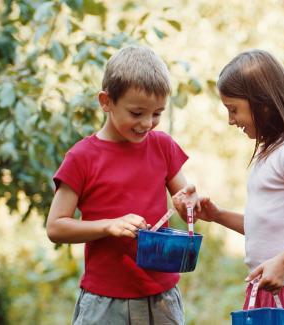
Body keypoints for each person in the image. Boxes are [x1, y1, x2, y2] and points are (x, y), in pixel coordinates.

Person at [182, 49, 284, 325]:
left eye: (233, 109)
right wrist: (217, 215)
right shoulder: (269, 152)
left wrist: (283, 262)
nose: (230, 120)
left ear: (263, 103)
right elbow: (271, 229)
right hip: (272, 286)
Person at [46, 45, 200, 325]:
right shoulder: (81, 158)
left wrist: (188, 201)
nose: (147, 123)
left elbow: (185, 198)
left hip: (161, 297)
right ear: (106, 101)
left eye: (157, 113)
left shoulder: (163, 146)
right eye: (137, 112)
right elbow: (56, 227)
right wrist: (108, 225)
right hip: (104, 302)